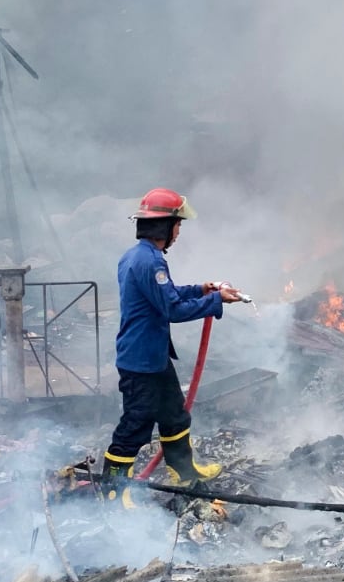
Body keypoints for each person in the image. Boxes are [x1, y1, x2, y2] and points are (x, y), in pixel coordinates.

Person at [101, 187, 242, 504]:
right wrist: (215, 300)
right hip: (141, 361)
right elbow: (172, 310)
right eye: (177, 224)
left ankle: (184, 470)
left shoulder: (138, 256)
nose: (179, 231)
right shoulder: (151, 263)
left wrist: (200, 289)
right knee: (135, 425)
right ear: (164, 226)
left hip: (153, 357)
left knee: (174, 415)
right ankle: (112, 490)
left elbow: (167, 295)